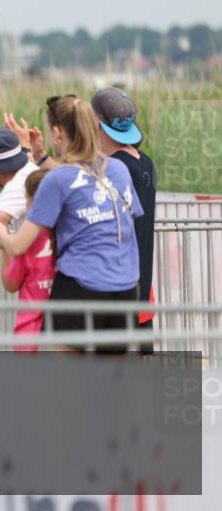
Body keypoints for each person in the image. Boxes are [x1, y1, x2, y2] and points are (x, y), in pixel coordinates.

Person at [0, 96, 143, 353]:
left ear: (58, 132)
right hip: (125, 288)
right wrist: (37, 155)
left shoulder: (58, 179)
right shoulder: (118, 169)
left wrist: (0, 234)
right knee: (113, 377)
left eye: (49, 131)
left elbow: (18, 246)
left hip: (81, 288)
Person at [91, 87, 157, 349]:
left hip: (118, 289)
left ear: (97, 124)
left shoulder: (112, 167)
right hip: (143, 290)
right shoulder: (146, 163)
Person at [0, 169, 55, 352]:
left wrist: (4, 245)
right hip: (65, 332)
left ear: (32, 201)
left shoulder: (27, 240)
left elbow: (11, 283)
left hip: (30, 333)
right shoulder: (70, 233)